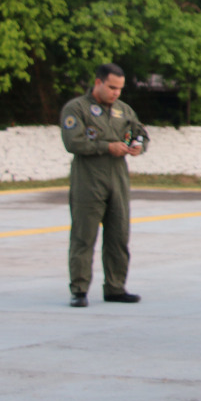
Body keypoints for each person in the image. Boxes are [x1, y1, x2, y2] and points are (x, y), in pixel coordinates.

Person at [59, 63, 148, 308]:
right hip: (88, 180)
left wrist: (137, 145)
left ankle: (115, 287)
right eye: (111, 87)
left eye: (119, 89)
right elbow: (73, 142)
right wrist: (106, 147)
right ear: (98, 82)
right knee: (83, 237)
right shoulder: (77, 108)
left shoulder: (123, 110)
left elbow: (139, 132)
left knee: (119, 236)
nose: (116, 93)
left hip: (118, 179)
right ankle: (79, 289)